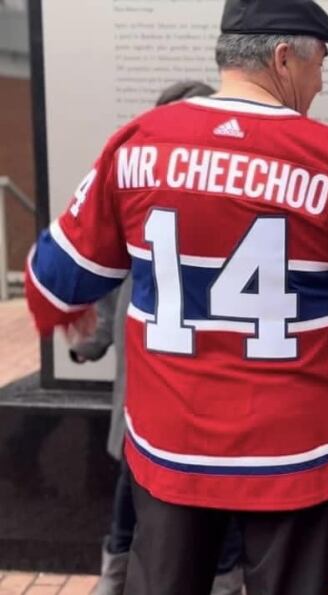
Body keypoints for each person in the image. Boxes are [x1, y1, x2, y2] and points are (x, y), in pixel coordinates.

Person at [25, 1, 328, 593]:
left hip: (170, 442)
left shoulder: (136, 143)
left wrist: (60, 316)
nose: (321, 80)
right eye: (320, 65)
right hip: (296, 447)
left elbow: (55, 277)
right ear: (284, 59)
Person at [68, 80, 245, 595]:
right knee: (218, 500)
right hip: (216, 399)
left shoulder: (137, 190)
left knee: (135, 484)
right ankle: (221, 582)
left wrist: (88, 343)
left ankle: (116, 579)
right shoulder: (232, 196)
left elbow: (97, 269)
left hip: (152, 394)